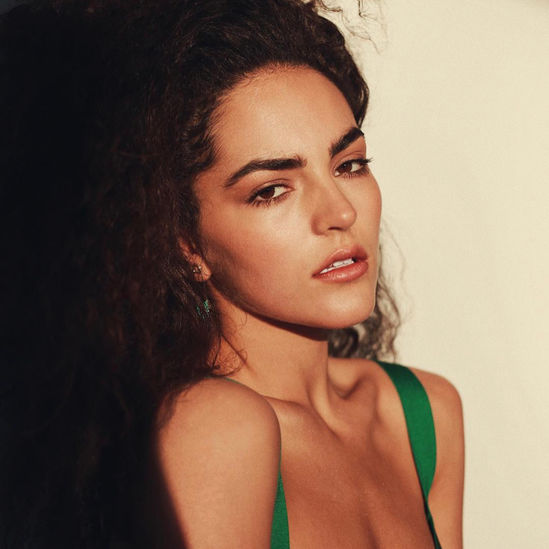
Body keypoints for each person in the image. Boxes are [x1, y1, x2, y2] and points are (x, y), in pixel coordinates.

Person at [0, 0, 464, 547]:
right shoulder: (212, 429)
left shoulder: (421, 414)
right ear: (185, 243)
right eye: (271, 190)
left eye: (349, 164)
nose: (341, 212)